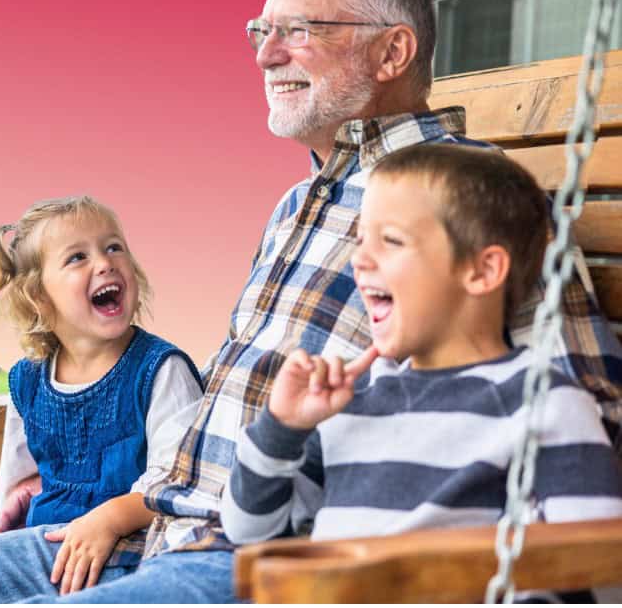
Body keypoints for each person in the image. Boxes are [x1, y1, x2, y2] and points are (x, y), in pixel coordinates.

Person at [0, 0, 622, 604]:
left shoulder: (461, 200)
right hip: (154, 528)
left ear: (392, 51)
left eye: (299, 30)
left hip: (268, 557)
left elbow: (587, 407)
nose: (264, 53)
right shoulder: (296, 204)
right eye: (262, 29)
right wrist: (113, 500)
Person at [220, 144, 622, 605]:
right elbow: (250, 534)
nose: (360, 261)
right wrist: (283, 428)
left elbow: (600, 573)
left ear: (482, 270)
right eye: (359, 240)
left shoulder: (543, 404)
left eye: (390, 241)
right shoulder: (349, 403)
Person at [0, 196, 202, 594]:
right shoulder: (27, 381)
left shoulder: (160, 370)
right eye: (77, 258)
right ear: (39, 297)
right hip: (48, 552)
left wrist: (111, 518)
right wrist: (14, 511)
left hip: (131, 554)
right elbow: (19, 482)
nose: (104, 262)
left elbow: (179, 483)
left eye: (114, 247)